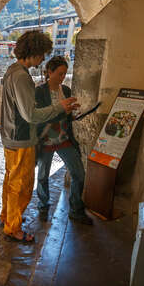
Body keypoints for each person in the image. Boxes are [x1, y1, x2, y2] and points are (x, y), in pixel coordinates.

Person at [0, 31, 79, 242]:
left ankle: (7, 217)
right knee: (22, 185)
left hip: (10, 135)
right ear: (33, 52)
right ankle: (13, 228)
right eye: (42, 54)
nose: (43, 59)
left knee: (11, 180)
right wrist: (60, 106)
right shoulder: (21, 76)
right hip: (21, 137)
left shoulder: (11, 70)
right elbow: (31, 115)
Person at [35, 56, 93, 225]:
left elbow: (66, 118)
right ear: (49, 72)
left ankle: (76, 210)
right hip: (45, 140)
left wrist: (74, 114)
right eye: (59, 73)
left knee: (79, 174)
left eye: (65, 74)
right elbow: (40, 118)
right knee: (43, 176)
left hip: (64, 139)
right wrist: (63, 112)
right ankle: (43, 205)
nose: (62, 77)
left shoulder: (66, 90)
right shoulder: (39, 92)